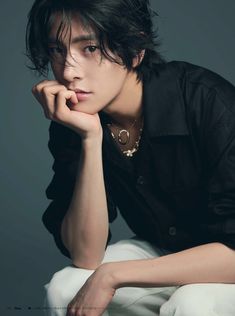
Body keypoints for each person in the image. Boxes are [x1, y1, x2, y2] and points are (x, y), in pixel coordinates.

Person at [26, 0, 235, 315]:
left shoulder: (207, 101)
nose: (68, 71)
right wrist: (90, 138)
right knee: (65, 288)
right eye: (57, 50)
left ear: (135, 51)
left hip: (226, 263)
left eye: (91, 49)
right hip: (164, 252)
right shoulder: (76, 119)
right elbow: (86, 254)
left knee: (193, 303)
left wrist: (115, 275)